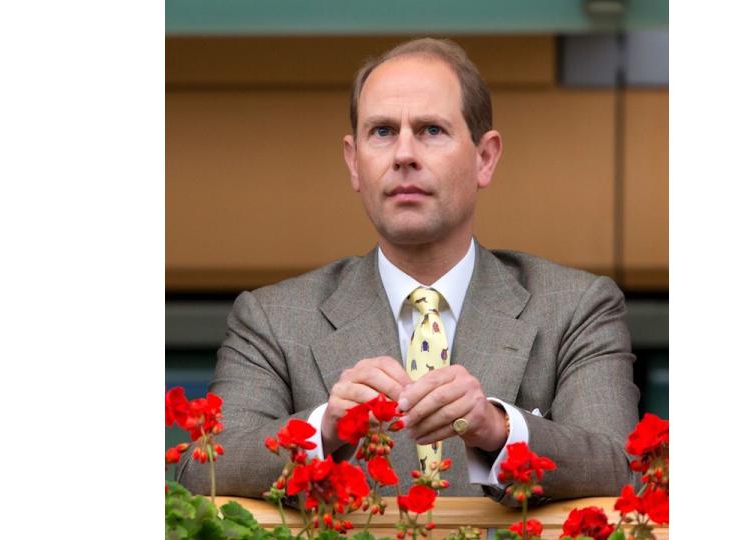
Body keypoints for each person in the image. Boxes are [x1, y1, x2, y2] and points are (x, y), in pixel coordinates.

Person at [176, 37, 639, 506]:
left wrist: (498, 429)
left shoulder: (576, 307)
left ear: (485, 157)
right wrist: (325, 428)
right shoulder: (272, 318)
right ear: (354, 162)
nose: (403, 154)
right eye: (381, 131)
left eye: (431, 130)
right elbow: (201, 471)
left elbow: (623, 471)